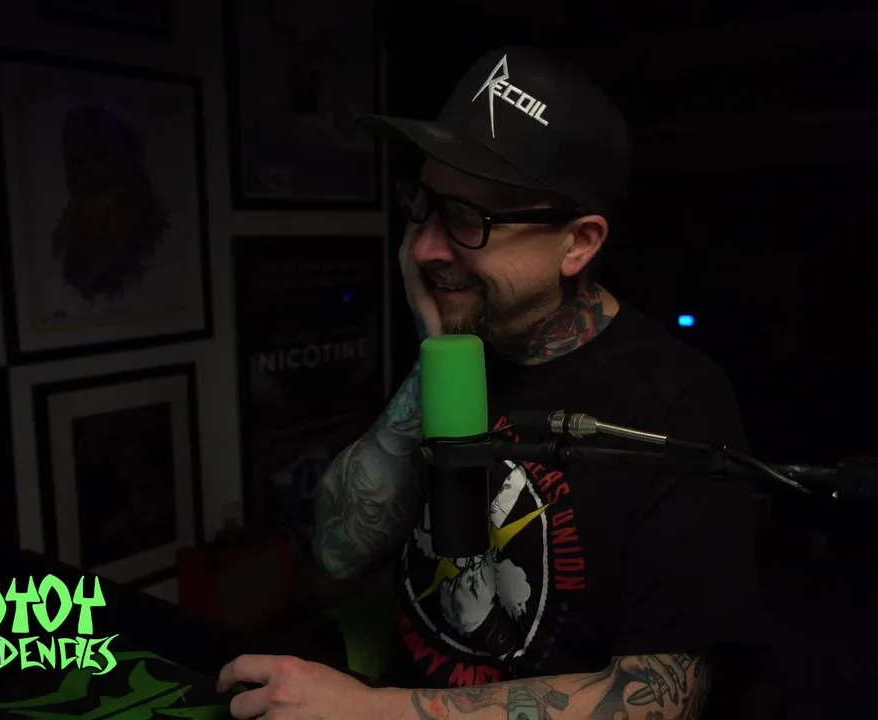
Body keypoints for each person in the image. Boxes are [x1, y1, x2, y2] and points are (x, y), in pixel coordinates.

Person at [218, 45, 769, 719]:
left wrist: (370, 712)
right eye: (424, 205)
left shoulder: (679, 401)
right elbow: (334, 554)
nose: (425, 248)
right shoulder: (463, 335)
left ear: (578, 243)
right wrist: (438, 354)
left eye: (468, 220)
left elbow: (655, 700)